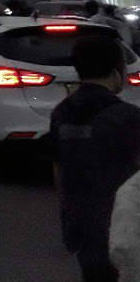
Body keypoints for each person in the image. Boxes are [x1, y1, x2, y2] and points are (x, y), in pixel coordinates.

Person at [51, 34, 140, 282]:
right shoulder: (128, 117)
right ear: (117, 70)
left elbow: (59, 173)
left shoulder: (61, 113)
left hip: (81, 226)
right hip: (123, 224)